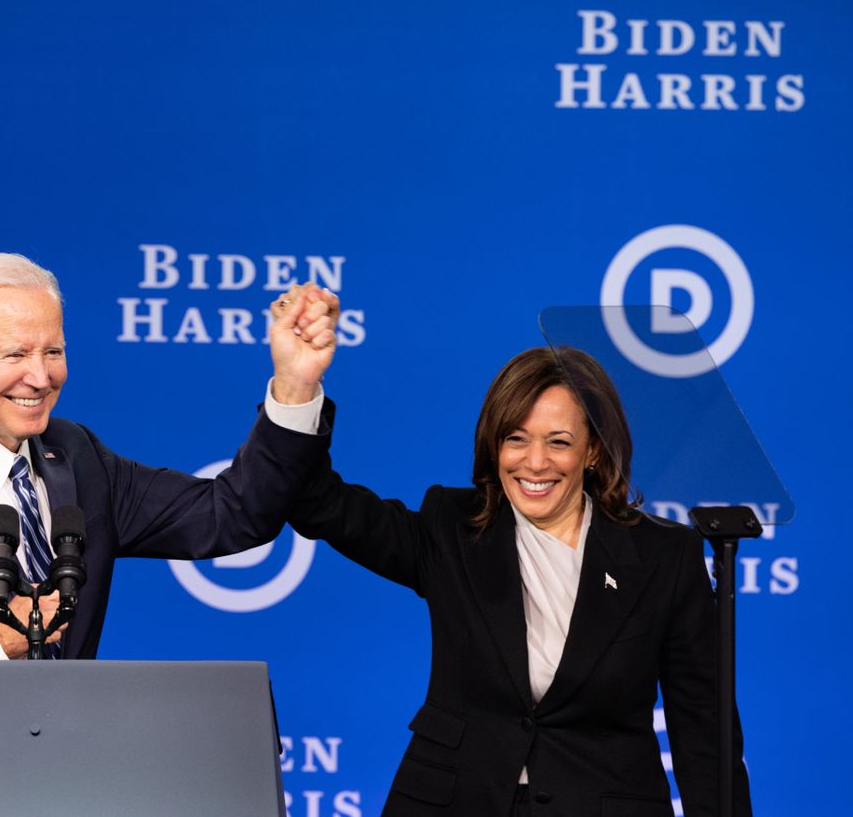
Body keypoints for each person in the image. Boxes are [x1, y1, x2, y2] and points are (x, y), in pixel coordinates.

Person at [270, 325, 750, 816]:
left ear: (594, 450)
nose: (535, 463)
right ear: (494, 445)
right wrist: (296, 385)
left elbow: (704, 729)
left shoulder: (663, 556)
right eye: (515, 439)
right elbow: (316, 503)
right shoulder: (451, 528)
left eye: (559, 441)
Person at [0, 253, 339, 661]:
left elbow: (232, 515)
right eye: (16, 354)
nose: (41, 378)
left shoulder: (76, 455)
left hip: (70, 773)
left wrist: (294, 387)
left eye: (53, 351)